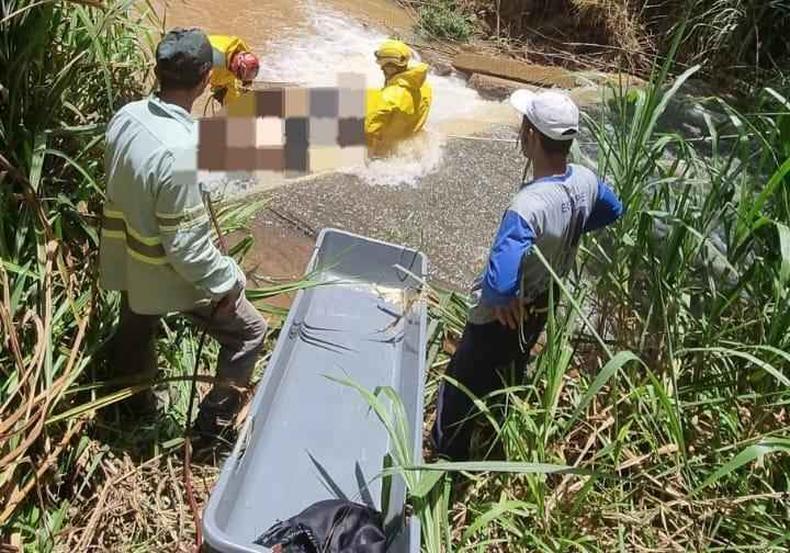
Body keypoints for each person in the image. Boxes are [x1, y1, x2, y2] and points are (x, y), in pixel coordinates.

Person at [431, 89, 624, 461]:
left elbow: (500, 280)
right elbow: (614, 209)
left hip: (502, 316)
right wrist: (572, 225)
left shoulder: (528, 206)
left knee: (460, 382)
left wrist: (500, 300)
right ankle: (495, 435)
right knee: (510, 368)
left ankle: (446, 455)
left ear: (532, 136)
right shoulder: (584, 179)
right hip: (542, 302)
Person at [99, 28, 267, 440]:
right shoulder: (182, 153)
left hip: (126, 257)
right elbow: (189, 249)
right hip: (165, 270)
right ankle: (212, 432)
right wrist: (229, 279)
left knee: (136, 324)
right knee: (250, 332)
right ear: (206, 80)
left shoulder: (128, 115)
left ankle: (131, 401)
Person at [365, 39, 432, 157]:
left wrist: (368, 154)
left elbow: (369, 129)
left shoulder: (389, 97)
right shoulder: (422, 85)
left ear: (391, 67)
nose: (381, 69)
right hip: (410, 133)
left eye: (383, 65)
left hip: (389, 145)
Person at [208, 34, 260, 106]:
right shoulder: (215, 61)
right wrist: (217, 89)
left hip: (224, 65)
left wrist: (247, 82)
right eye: (240, 76)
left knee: (233, 102)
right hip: (205, 55)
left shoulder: (243, 49)